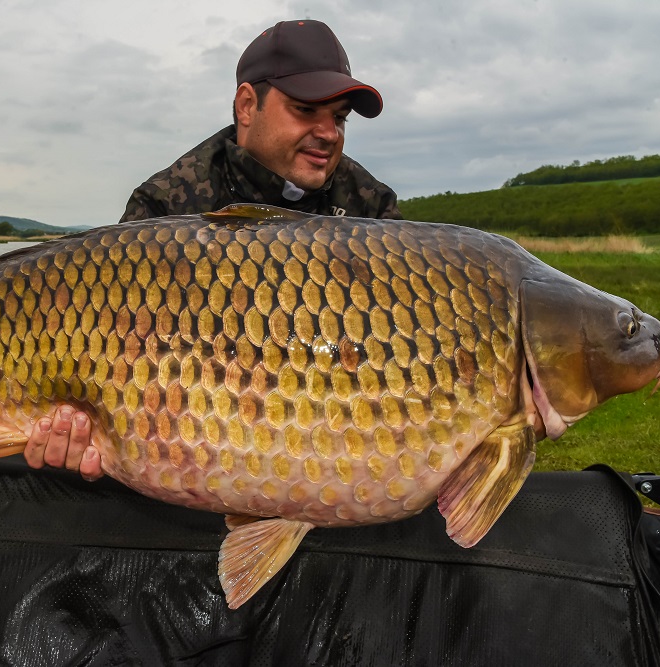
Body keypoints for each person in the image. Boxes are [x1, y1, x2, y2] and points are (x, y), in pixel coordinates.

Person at [23, 19, 400, 480]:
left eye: (339, 118)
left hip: (322, 441)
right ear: (247, 105)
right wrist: (80, 431)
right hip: (186, 442)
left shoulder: (370, 209)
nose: (329, 133)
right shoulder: (165, 203)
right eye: (305, 111)